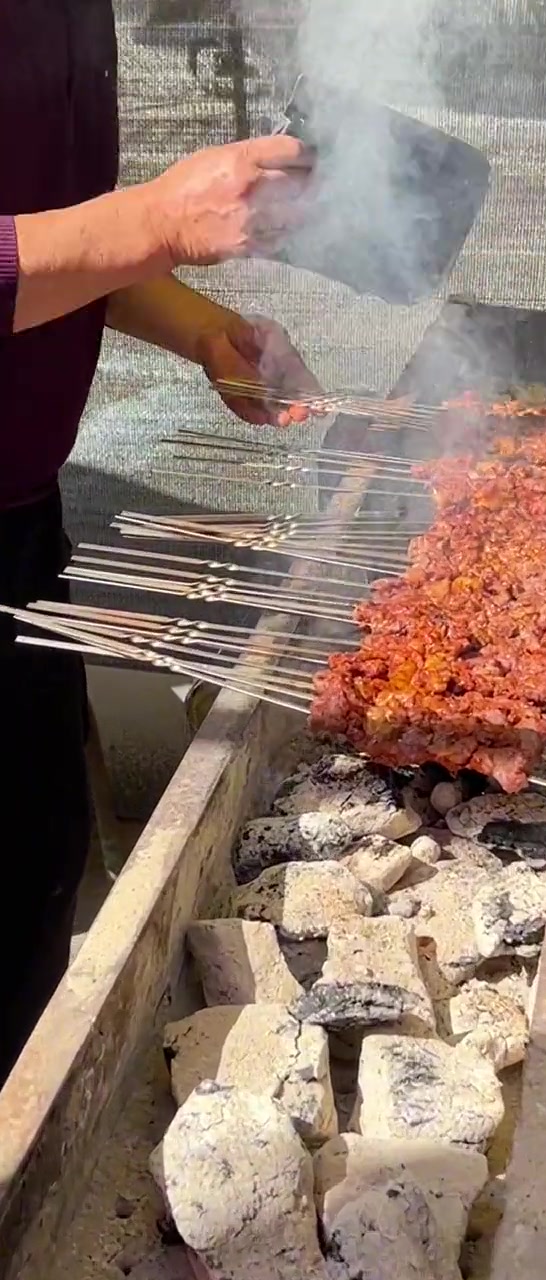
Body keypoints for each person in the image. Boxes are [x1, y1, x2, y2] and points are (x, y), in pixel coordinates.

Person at [0, 3, 320, 1085]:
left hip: (17, 516)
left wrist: (197, 327)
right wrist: (153, 218)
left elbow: (47, 233)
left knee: (34, 875)